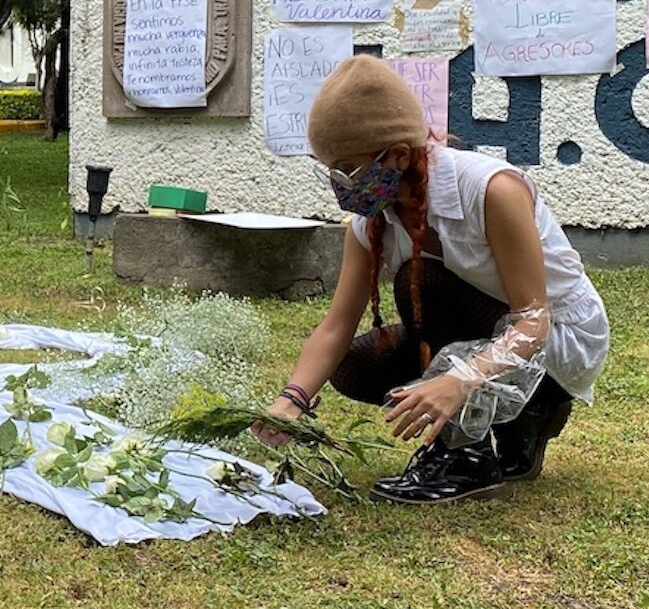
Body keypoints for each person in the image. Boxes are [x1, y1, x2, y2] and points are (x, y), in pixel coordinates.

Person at [252, 55, 608, 504]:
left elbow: (534, 321)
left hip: (558, 338)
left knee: (422, 282)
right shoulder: (371, 223)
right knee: (356, 365)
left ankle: (466, 457)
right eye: (329, 170)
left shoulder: (491, 190)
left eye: (348, 170)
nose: (339, 184)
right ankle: (525, 415)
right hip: (493, 337)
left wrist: (459, 381)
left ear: (399, 154)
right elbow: (335, 328)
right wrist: (292, 400)